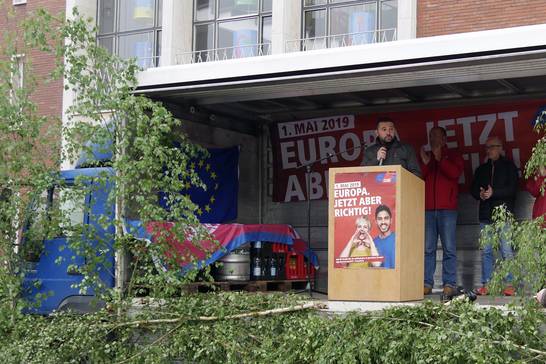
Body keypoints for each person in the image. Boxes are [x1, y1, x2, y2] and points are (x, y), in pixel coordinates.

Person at [471, 136, 519, 296]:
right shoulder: (481, 169)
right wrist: (480, 194)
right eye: (487, 147)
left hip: (504, 215)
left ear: (500, 148)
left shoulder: (509, 167)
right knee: (486, 251)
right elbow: (472, 190)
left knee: (506, 250)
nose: (489, 150)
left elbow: (513, 190)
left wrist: (494, 193)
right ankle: (487, 284)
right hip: (486, 216)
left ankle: (510, 285)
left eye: (492, 147)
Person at [419, 127, 464, 297]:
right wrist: (426, 162)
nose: (433, 139)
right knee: (429, 248)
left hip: (448, 210)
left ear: (444, 139)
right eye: (430, 136)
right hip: (429, 209)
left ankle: (449, 283)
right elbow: (419, 177)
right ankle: (426, 282)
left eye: (436, 136)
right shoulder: (428, 157)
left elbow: (455, 173)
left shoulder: (453, 155)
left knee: (449, 248)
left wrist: (440, 159)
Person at [373, 205, 396, 269]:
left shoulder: (398, 239)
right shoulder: (373, 243)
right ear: (376, 222)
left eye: (386, 218)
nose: (383, 222)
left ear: (391, 220)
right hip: (379, 278)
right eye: (380, 219)